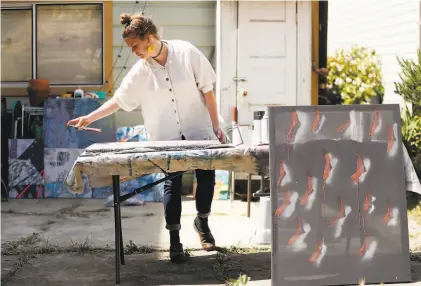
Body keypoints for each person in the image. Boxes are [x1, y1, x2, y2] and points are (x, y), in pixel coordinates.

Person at [66, 13, 226, 263]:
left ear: (149, 38)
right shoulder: (141, 71)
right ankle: (175, 242)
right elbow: (119, 100)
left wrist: (216, 126)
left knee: (206, 178)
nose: (134, 52)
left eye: (135, 46)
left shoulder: (187, 52)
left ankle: (202, 223)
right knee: (172, 183)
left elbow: (208, 90)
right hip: (167, 138)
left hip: (200, 129)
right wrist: (89, 118)